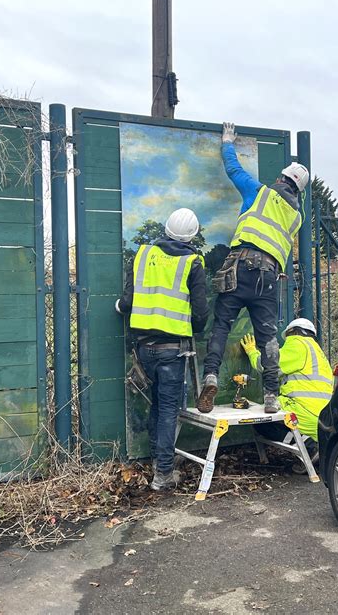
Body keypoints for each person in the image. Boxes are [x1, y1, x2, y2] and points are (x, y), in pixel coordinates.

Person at [197, 122, 309, 414]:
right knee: (268, 337)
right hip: (268, 278)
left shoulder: (259, 192)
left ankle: (210, 376)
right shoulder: (296, 217)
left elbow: (233, 169)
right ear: (298, 190)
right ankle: (271, 394)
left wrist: (227, 141)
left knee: (222, 325)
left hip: (239, 268)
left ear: (280, 178)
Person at [115, 208, 209, 491]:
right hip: (173, 350)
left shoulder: (143, 254)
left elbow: (128, 300)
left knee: (157, 404)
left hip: (144, 349)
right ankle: (163, 473)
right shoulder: (193, 262)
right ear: (192, 235)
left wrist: (120, 307)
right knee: (169, 409)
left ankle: (159, 461)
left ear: (166, 229)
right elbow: (202, 313)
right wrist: (195, 327)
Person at [240, 318, 333, 472]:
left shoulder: (297, 343)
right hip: (322, 416)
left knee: (261, 422)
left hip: (302, 409)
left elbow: (268, 365)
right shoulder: (318, 352)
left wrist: (252, 352)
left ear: (292, 332)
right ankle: (311, 447)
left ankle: (309, 449)